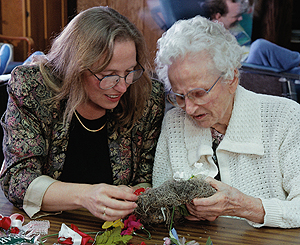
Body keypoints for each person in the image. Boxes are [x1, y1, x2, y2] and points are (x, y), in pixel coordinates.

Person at [0, 6, 165, 220]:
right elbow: (18, 179)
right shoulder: (33, 88)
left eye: (129, 72)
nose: (123, 87)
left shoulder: (146, 94)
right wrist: (85, 196)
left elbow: (146, 177)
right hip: (50, 225)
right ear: (75, 68)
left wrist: (141, 196)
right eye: (109, 75)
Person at [153, 15, 300, 228]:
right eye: (179, 96)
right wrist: (183, 209)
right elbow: (161, 202)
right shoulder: (175, 122)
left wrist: (244, 206)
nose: (189, 108)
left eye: (199, 93)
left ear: (231, 78)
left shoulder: (285, 117)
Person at [205, 0, 300, 74]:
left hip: (249, 64)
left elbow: (246, 46)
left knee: (281, 69)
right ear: (218, 16)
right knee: (259, 46)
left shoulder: (234, 29)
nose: (240, 18)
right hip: (239, 71)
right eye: (235, 16)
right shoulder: (209, 35)